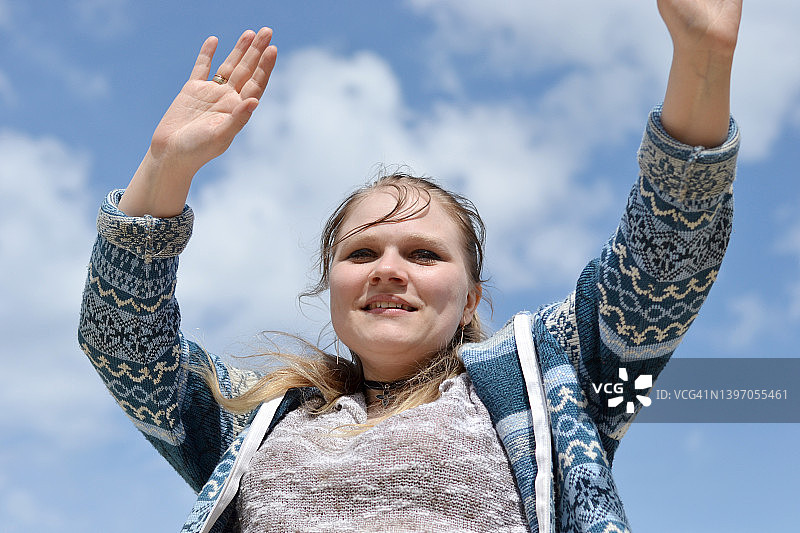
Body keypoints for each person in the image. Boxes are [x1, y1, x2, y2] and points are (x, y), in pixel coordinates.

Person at [78, 1, 742, 531]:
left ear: (471, 294)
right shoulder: (253, 422)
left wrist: (703, 58)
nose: (388, 268)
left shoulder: (550, 380)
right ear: (331, 286)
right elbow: (122, 341)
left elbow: (663, 258)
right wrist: (166, 168)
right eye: (361, 252)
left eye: (424, 253)